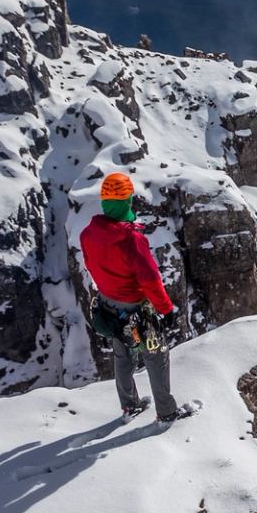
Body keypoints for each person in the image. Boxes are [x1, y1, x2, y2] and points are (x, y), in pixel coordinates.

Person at [79, 171, 183, 422]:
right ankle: (167, 412)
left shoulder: (88, 233)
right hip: (137, 310)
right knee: (156, 356)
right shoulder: (130, 239)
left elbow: (91, 265)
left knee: (123, 355)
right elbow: (150, 280)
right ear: (126, 201)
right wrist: (166, 309)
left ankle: (130, 405)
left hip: (108, 305)